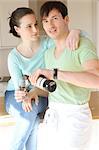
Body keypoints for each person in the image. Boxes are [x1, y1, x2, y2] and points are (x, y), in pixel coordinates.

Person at [4, 7, 81, 150]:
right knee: (28, 117)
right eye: (28, 26)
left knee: (28, 116)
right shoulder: (14, 57)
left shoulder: (48, 43)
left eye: (36, 24)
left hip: (42, 93)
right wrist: (23, 94)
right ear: (17, 29)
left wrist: (76, 32)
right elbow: (19, 87)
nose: (35, 30)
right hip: (14, 96)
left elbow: (81, 36)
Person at [29, 1, 99, 150]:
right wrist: (35, 91)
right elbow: (57, 89)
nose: (50, 25)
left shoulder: (83, 44)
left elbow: (96, 80)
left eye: (55, 18)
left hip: (75, 117)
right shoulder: (48, 53)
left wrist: (55, 73)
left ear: (66, 20)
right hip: (53, 115)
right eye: (46, 21)